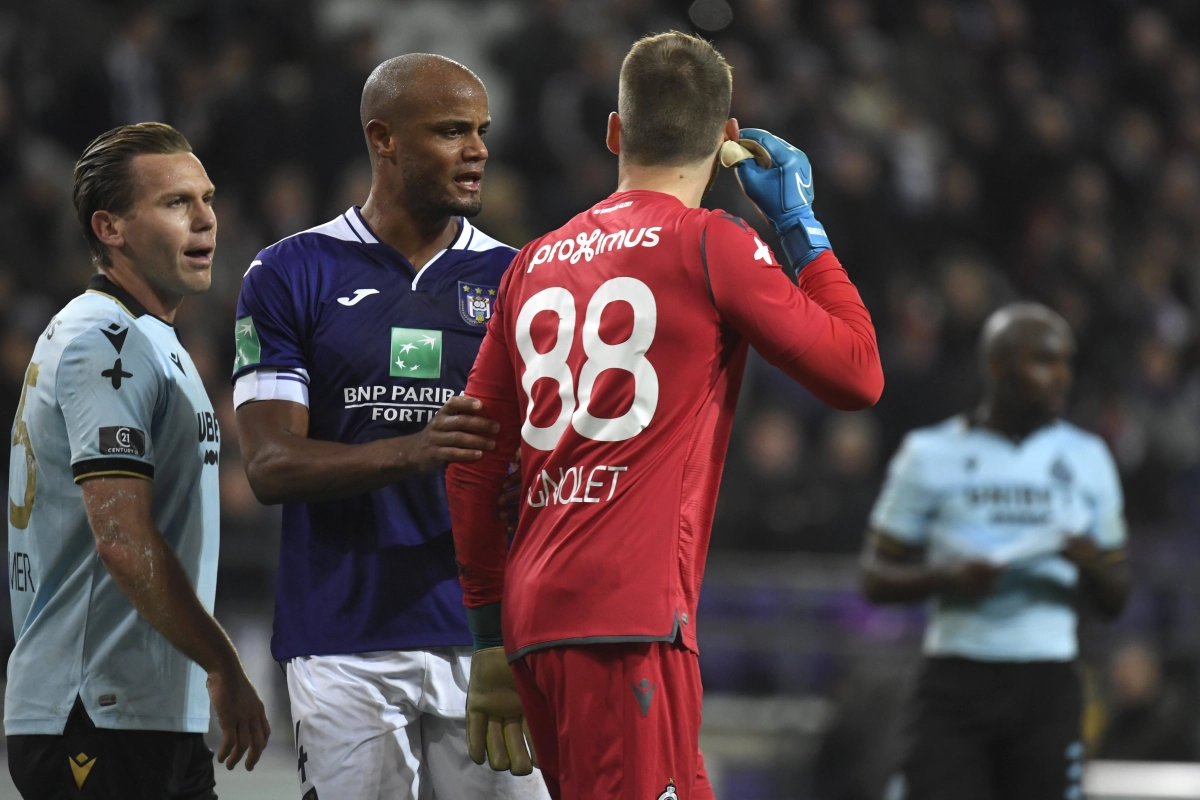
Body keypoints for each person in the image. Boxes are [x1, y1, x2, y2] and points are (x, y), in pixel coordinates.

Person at [447, 31, 884, 800]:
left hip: (536, 621)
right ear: (726, 143)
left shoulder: (533, 261)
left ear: (615, 131)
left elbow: (473, 461)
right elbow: (858, 375)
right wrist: (798, 226)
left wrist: (488, 640)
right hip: (630, 621)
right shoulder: (713, 243)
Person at [232, 55, 547, 800]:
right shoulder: (288, 272)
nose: (477, 151)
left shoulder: (521, 279)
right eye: (450, 131)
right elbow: (271, 465)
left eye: (481, 131)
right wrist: (417, 450)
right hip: (344, 638)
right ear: (385, 139)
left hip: (489, 639)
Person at [6, 122, 269, 799]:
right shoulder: (103, 341)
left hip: (144, 711)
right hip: (93, 710)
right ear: (110, 228)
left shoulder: (150, 339)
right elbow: (121, 539)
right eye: (177, 203)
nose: (207, 218)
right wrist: (223, 664)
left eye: (208, 198)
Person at [861, 302, 1131, 800]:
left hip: (1048, 682)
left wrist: (1091, 562)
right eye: (1044, 361)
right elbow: (875, 577)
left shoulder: (1088, 457)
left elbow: (1117, 598)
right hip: (956, 678)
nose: (1060, 377)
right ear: (998, 367)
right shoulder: (928, 455)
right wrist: (948, 577)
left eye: (1065, 363)